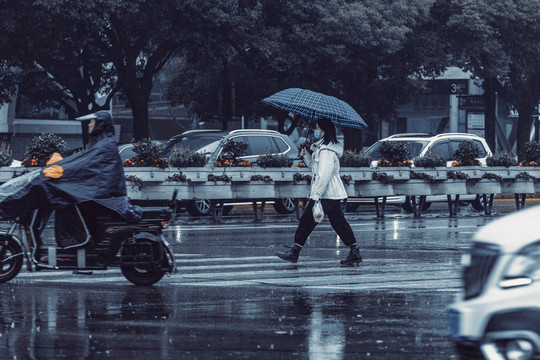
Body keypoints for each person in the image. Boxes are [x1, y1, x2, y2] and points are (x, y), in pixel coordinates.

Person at [0, 110, 141, 224]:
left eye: (92, 122)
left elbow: (83, 165)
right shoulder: (101, 143)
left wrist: (61, 169)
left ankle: (6, 208)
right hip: (97, 192)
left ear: (100, 124)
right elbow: (81, 162)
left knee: (40, 184)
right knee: (41, 183)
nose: (88, 125)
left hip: (100, 196)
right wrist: (61, 165)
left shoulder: (104, 146)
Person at [276, 118, 362, 266]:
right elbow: (316, 168)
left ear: (323, 130)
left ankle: (295, 251)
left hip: (326, 192)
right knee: (339, 223)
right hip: (330, 192)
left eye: (317, 128)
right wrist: (306, 156)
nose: (315, 131)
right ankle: (354, 251)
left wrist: (316, 196)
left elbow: (324, 174)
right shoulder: (322, 147)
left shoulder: (327, 151)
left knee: (307, 221)